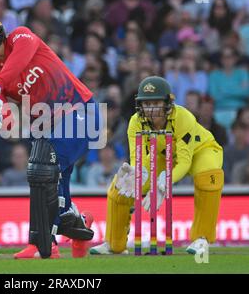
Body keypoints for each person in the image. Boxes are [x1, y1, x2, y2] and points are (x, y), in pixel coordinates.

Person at [0, 10, 101, 259]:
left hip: (80, 110)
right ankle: (80, 225)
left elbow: (17, 62)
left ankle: (43, 245)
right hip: (46, 129)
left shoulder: (20, 37)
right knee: (46, 181)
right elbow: (2, 113)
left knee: (44, 167)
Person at [90, 76, 224, 256]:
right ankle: (114, 244)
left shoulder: (183, 117)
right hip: (162, 154)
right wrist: (136, 175)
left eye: (155, 102)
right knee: (122, 186)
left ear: (167, 103)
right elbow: (136, 159)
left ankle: (202, 238)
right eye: (146, 104)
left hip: (201, 150)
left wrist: (165, 181)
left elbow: (184, 161)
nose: (150, 109)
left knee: (208, 178)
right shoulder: (135, 121)